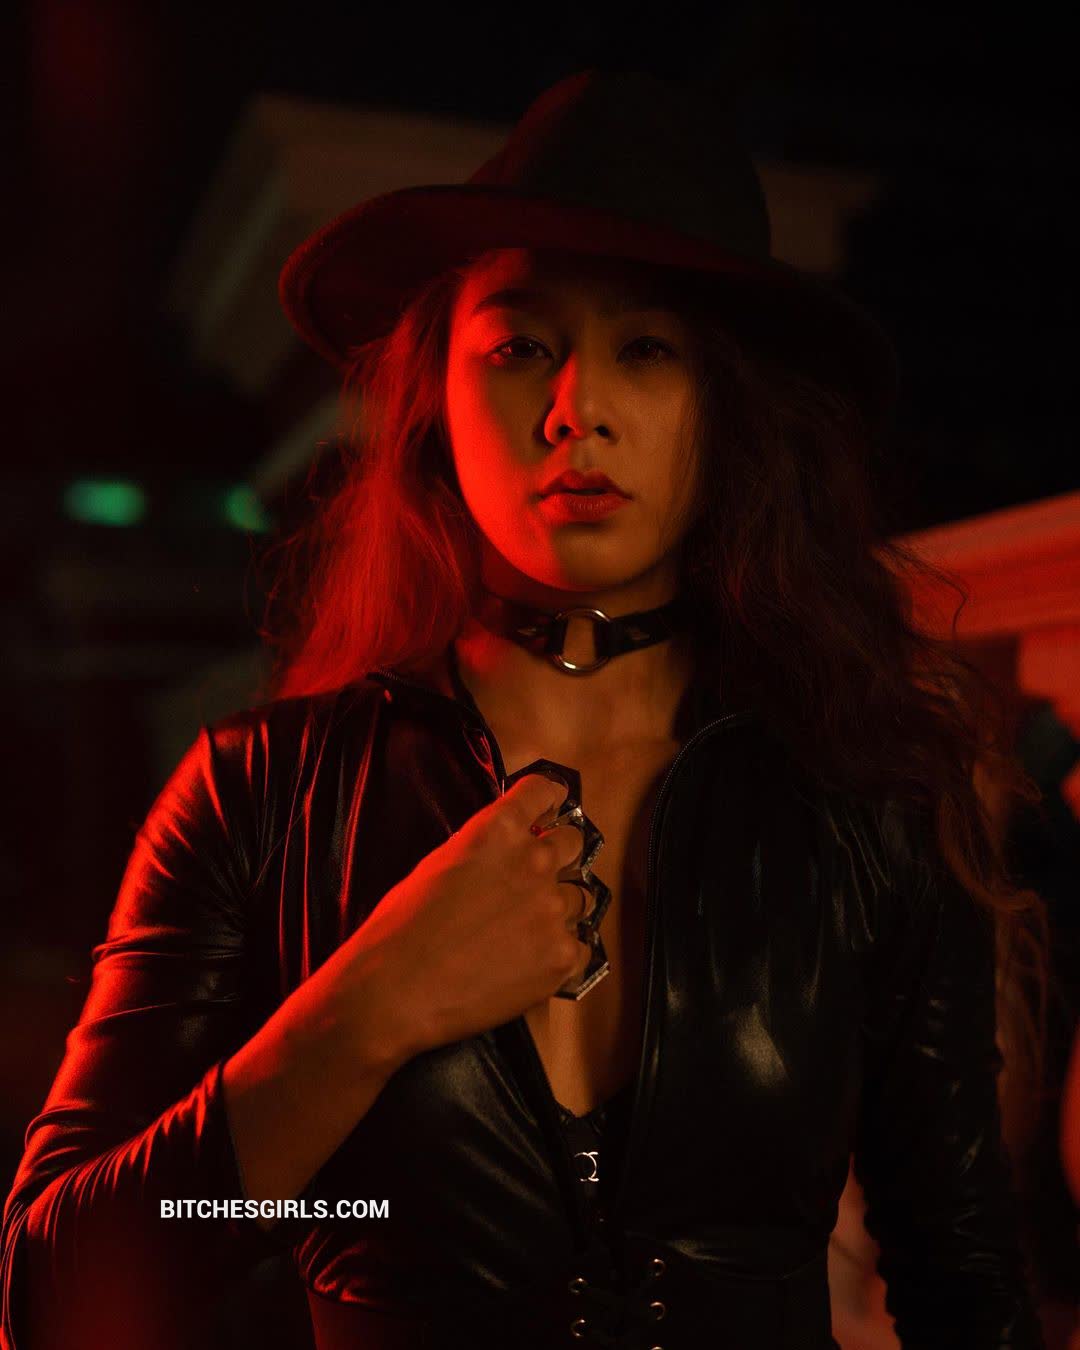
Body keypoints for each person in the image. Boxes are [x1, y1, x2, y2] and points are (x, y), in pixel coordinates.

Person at [0, 68, 1052, 1350]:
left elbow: (963, 1285)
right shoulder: (263, 793)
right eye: (521, 346)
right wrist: (368, 1007)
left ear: (729, 406)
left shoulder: (866, 794)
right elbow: (58, 1297)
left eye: (647, 349)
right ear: (436, 399)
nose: (577, 410)